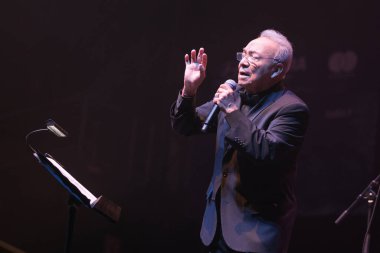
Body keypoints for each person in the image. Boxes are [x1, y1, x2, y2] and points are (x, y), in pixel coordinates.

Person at [170, 29, 309, 253]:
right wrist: (189, 90)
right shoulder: (235, 97)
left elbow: (267, 152)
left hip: (257, 233)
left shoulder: (291, 109)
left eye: (253, 57)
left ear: (277, 70)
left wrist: (233, 112)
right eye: (243, 55)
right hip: (216, 228)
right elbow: (185, 126)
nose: (243, 63)